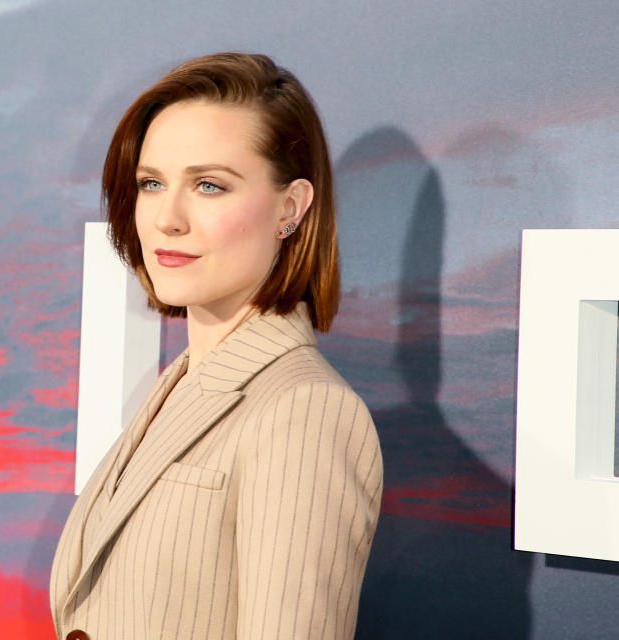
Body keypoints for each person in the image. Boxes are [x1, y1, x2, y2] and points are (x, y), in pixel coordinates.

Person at [50, 52, 383, 640]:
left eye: (208, 185)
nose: (167, 218)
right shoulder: (179, 383)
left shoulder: (303, 411)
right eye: (151, 183)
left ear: (290, 207)